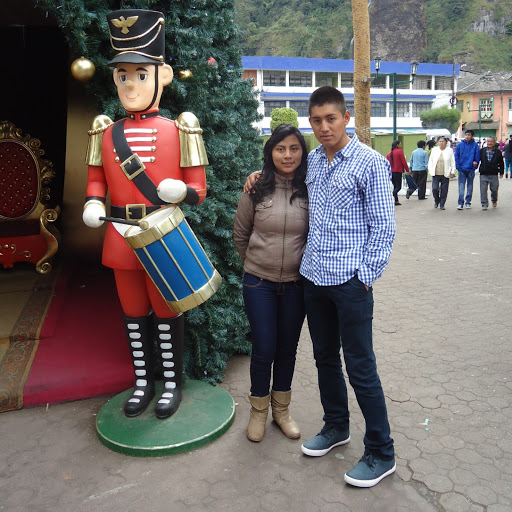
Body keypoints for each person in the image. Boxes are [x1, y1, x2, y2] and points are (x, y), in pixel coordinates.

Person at [82, 9, 209, 419]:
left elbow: (199, 190)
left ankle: (171, 383)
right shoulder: (105, 131)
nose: (130, 85)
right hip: (120, 233)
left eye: (140, 74)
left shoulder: (180, 128)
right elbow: (97, 180)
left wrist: (181, 192)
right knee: (133, 311)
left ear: (163, 75)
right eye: (123, 76)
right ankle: (143, 382)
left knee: (166, 308)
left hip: (163, 234)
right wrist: (93, 201)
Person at [233, 124, 309, 443]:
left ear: (302, 152)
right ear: (270, 152)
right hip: (259, 283)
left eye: (294, 148)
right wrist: (255, 263)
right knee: (264, 348)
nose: (287, 155)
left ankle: (281, 411)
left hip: (296, 285)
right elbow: (240, 234)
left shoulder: (310, 187)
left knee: (287, 349)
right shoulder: (256, 187)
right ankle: (258, 412)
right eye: (280, 148)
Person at [454, 129, 480, 210]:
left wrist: (474, 166)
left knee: (470, 186)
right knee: (461, 187)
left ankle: (468, 202)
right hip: (461, 169)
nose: (467, 136)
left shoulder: (475, 146)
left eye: (469, 135)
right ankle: (460, 203)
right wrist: (458, 167)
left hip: (471, 169)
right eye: (466, 135)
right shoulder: (460, 145)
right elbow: (456, 156)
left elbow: (477, 157)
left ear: (472, 136)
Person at [428, 136, 455, 210]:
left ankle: (442, 204)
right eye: (440, 141)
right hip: (436, 173)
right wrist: (430, 169)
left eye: (443, 141)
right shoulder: (434, 150)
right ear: (438, 142)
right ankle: (436, 201)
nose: (441, 143)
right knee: (435, 189)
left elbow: (452, 162)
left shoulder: (449, 151)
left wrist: (452, 171)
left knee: (444, 190)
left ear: (446, 143)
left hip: (445, 173)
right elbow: (430, 161)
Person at [479, 136, 504, 210]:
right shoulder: (482, 151)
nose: (489, 143)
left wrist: (501, 172)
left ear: (494, 142)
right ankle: (484, 204)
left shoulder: (498, 152)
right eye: (488, 141)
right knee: (483, 190)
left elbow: (501, 162)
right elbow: (477, 159)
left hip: (494, 174)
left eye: (491, 141)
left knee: (494, 189)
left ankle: (494, 200)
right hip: (484, 173)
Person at [386, 140, 410, 206]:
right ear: (397, 145)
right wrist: (408, 170)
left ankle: (396, 200)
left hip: (391, 172)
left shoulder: (389, 154)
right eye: (400, 144)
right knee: (398, 187)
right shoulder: (400, 152)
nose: (401, 145)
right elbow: (403, 162)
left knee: (395, 186)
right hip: (398, 171)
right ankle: (391, 195)